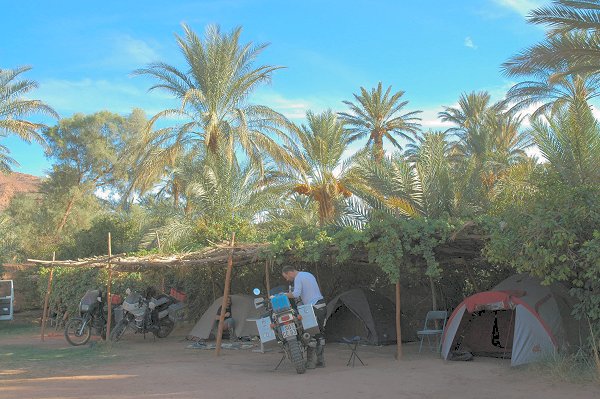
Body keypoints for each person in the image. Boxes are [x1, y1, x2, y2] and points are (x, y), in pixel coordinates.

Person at [281, 265, 326, 369]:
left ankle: (310, 363)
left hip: (313, 307)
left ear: (290, 272)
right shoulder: (308, 274)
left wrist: (283, 295)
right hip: (322, 305)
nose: (287, 279)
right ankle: (321, 361)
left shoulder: (298, 278)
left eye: (286, 276)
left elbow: (296, 294)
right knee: (319, 334)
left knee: (309, 334)